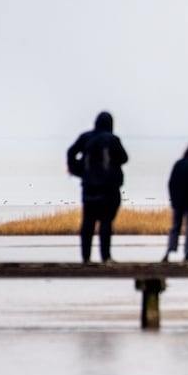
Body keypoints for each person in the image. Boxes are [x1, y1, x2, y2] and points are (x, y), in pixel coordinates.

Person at [66, 111, 128, 264]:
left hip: (88, 188)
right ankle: (105, 257)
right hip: (108, 188)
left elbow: (71, 152)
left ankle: (86, 258)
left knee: (88, 223)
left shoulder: (85, 138)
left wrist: (77, 170)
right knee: (106, 223)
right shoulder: (112, 140)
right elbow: (124, 158)